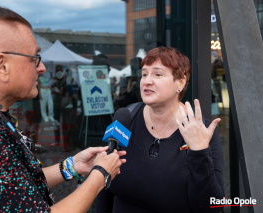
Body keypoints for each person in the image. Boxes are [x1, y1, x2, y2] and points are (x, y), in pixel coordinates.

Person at [0, 6, 126, 212]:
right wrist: (101, 174)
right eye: (34, 58)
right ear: (1, 65)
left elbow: (17, 188)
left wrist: (72, 166)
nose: (42, 68)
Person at [96, 47, 224, 213]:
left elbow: (212, 206)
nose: (147, 81)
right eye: (144, 74)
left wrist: (199, 152)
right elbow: (105, 186)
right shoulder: (126, 117)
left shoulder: (201, 131)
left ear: (180, 82)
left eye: (158, 74)